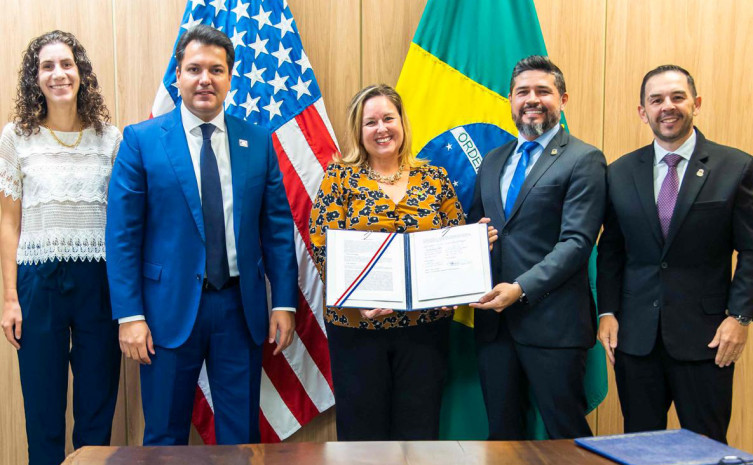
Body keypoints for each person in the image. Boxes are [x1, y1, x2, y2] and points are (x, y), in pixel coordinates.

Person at [106, 25, 297, 445]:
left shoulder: (257, 141)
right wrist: (130, 315)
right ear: (177, 76)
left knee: (240, 438)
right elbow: (122, 236)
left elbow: (278, 230)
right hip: (165, 311)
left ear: (230, 78)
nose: (205, 79)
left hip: (239, 308)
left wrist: (284, 302)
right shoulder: (141, 141)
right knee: (164, 437)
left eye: (216, 69)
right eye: (194, 69)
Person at [309, 84, 491, 440]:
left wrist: (473, 252)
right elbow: (321, 243)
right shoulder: (339, 178)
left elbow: (454, 237)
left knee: (419, 431)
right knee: (362, 436)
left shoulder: (434, 178)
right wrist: (356, 299)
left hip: (424, 328)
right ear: (359, 130)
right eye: (371, 122)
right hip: (358, 328)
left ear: (402, 122)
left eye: (388, 118)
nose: (382, 129)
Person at [596, 65, 752, 443]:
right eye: (656, 100)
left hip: (707, 340)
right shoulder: (619, 172)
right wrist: (607, 311)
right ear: (643, 111)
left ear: (696, 104)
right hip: (636, 340)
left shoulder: (736, 167)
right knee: (640, 447)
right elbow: (611, 250)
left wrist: (740, 317)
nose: (667, 106)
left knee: (706, 449)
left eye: (677, 97)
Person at [467, 55, 606, 440]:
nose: (532, 99)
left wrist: (520, 288)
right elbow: (479, 228)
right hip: (495, 327)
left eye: (543, 91)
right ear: (510, 100)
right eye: (522, 91)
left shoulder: (584, 159)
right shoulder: (493, 161)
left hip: (555, 326)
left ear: (563, 99)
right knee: (503, 437)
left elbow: (577, 243)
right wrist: (473, 242)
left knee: (565, 437)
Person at [0, 31, 121, 465]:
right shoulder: (16, 137)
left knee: (96, 409)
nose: (58, 74)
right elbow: (8, 222)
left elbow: (123, 223)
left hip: (99, 283)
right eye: (47, 66)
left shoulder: (110, 139)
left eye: (66, 64)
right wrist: (9, 299)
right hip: (38, 283)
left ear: (81, 72)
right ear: (34, 79)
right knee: (43, 410)